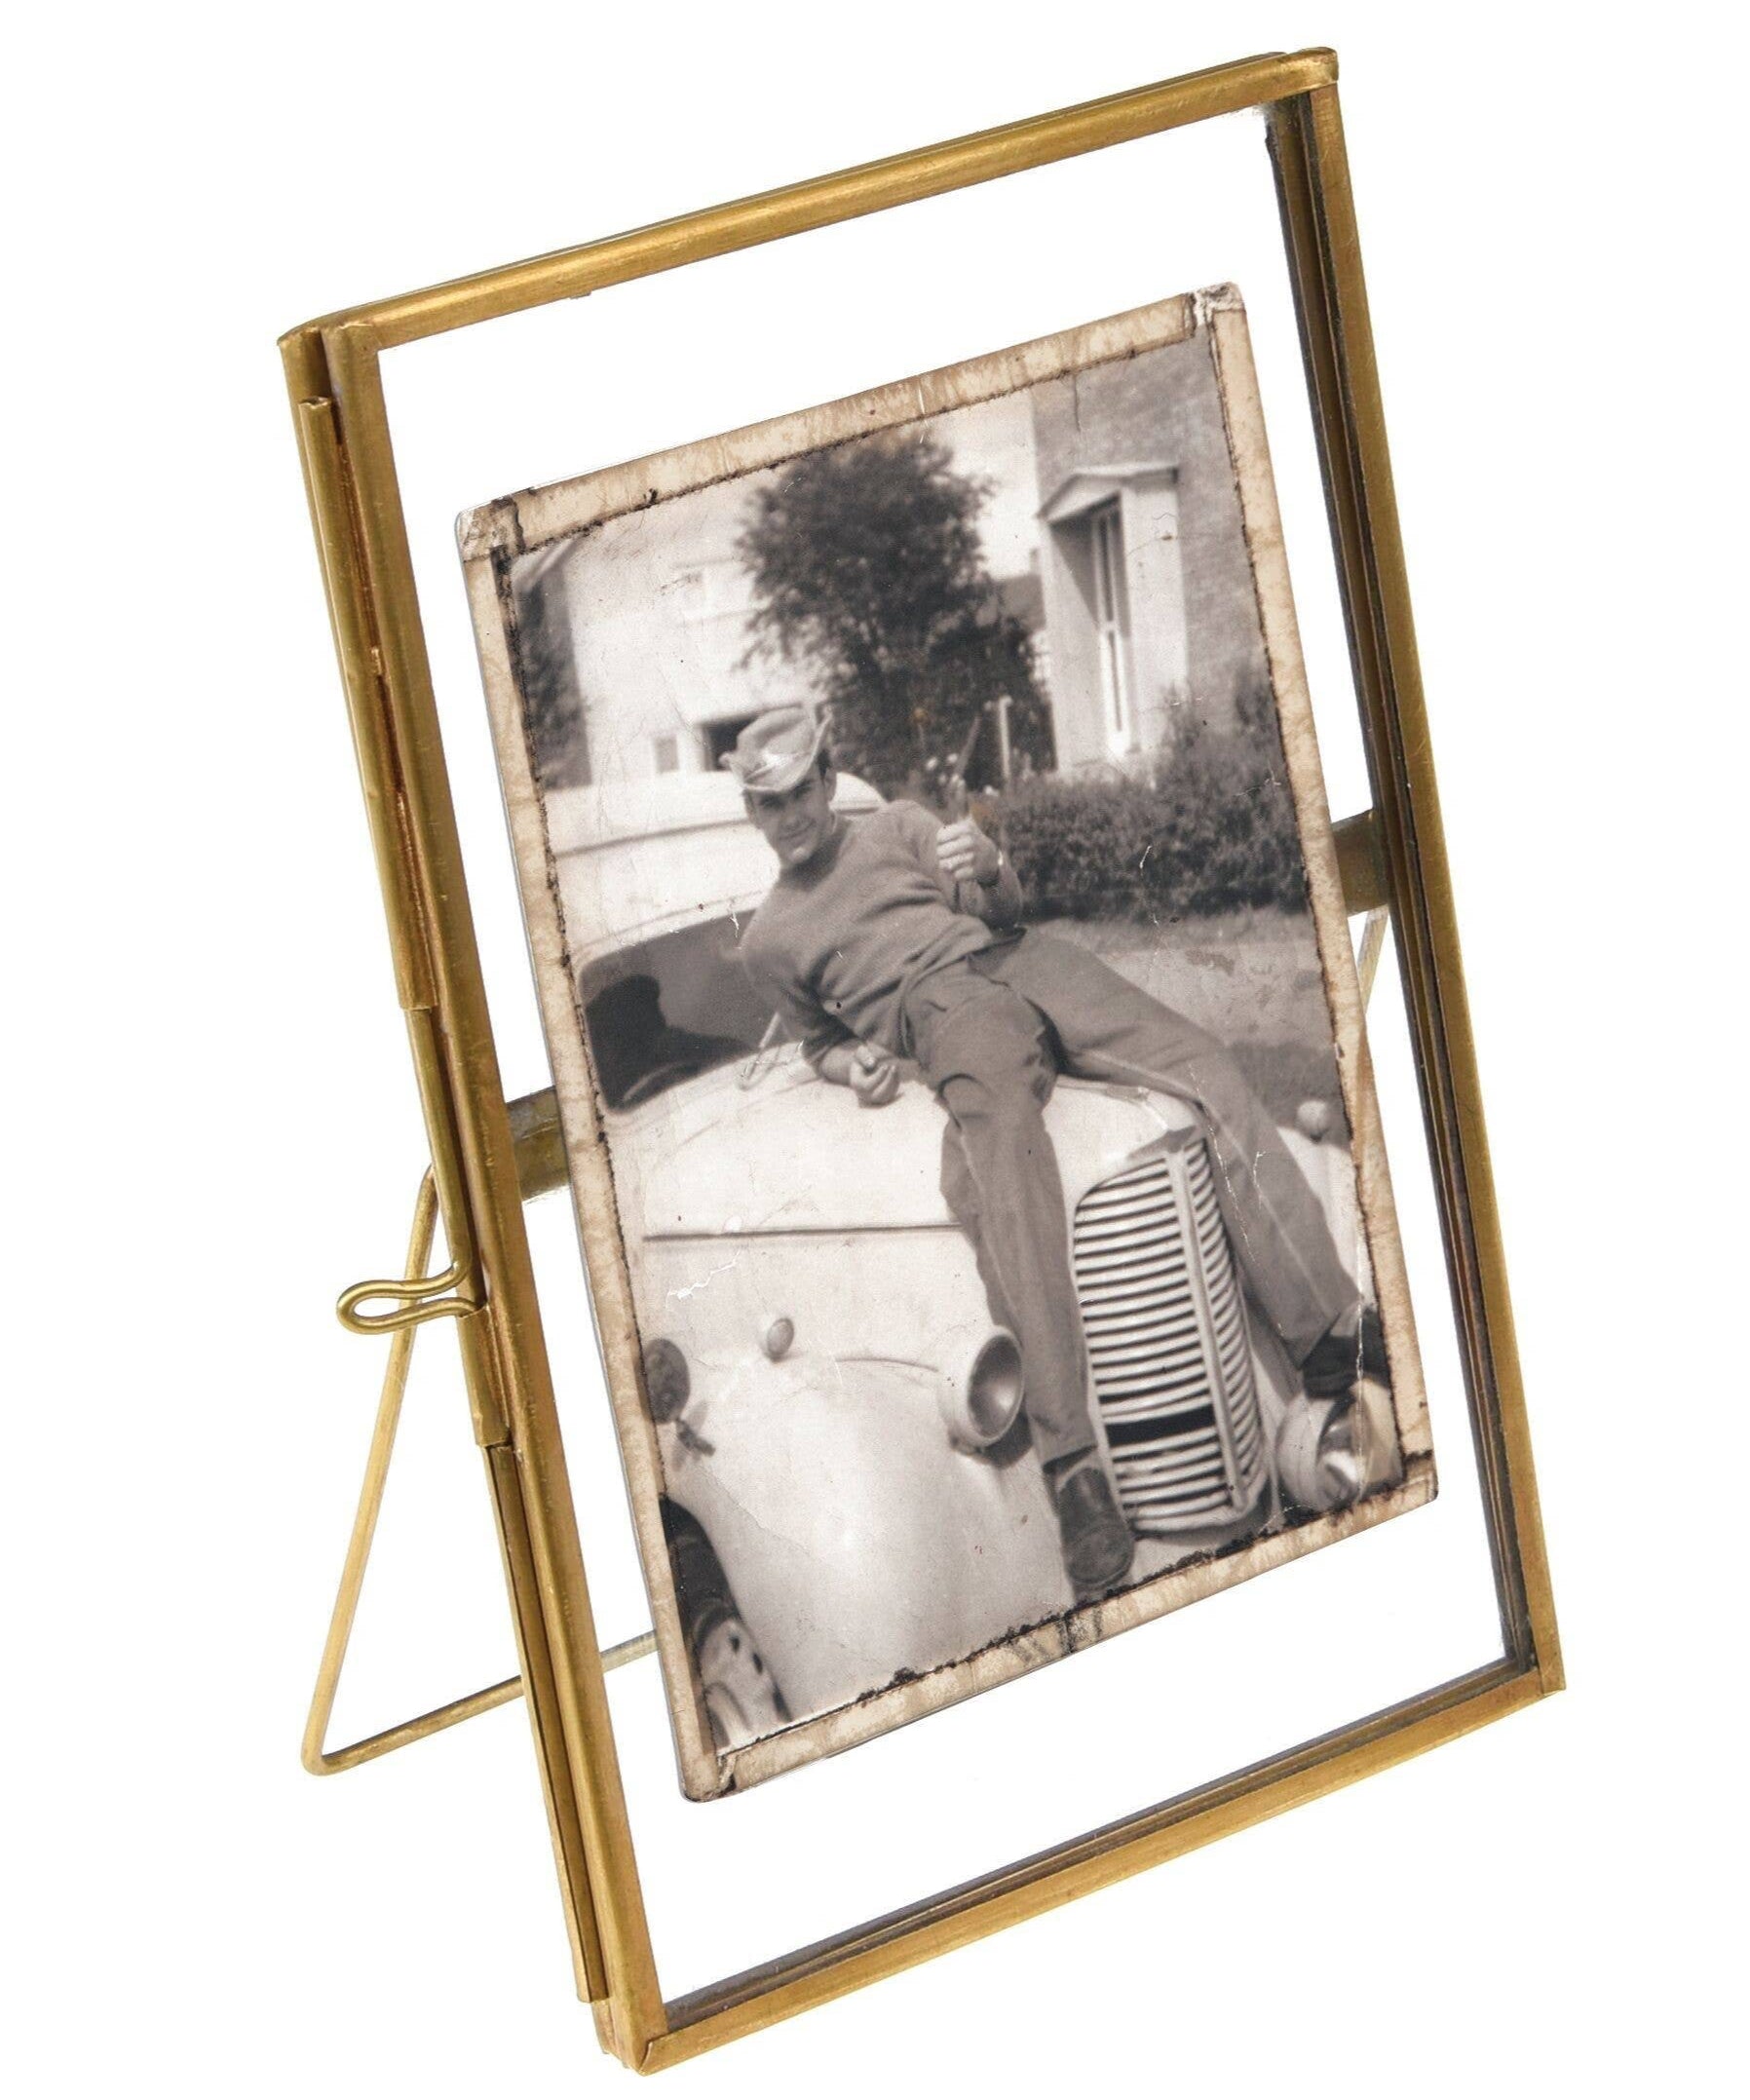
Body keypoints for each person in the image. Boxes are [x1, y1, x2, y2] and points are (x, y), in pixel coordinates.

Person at [727, 706, 1387, 1597]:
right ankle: (1075, 1468)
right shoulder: (769, 939)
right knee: (1009, 1173)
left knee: (1203, 1064)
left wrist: (989, 863)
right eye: (770, 802)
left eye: (802, 788)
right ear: (752, 812)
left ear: (828, 777)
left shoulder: (900, 824)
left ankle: (1328, 1333)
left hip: (1021, 957)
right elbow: (815, 1042)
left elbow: (1006, 904)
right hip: (946, 1013)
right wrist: (854, 1064)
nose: (792, 813)